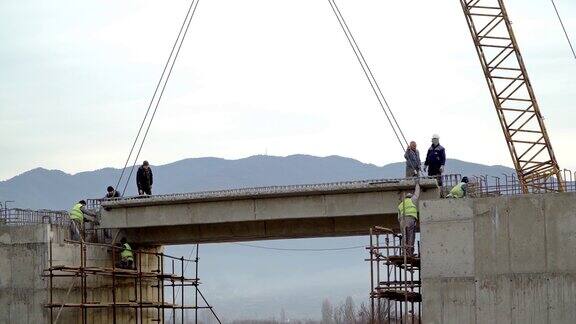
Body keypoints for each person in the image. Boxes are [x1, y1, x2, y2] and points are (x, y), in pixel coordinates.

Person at [397, 181, 420, 257]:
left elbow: (398, 217)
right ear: (410, 197)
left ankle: (404, 253)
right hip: (410, 219)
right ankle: (410, 252)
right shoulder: (412, 200)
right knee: (411, 235)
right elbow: (417, 194)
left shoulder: (400, 204)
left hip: (401, 221)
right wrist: (417, 184)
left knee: (404, 236)